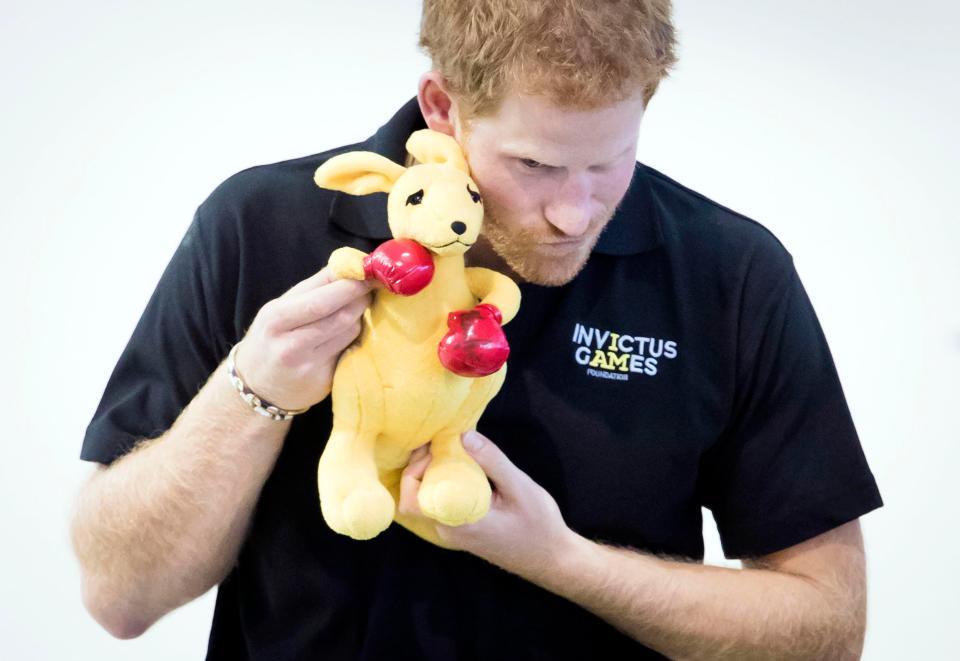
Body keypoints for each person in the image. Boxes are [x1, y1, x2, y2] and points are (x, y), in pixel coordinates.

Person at [71, 1, 883, 659]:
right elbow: (119, 595)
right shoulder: (260, 225)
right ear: (442, 107)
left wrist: (563, 562)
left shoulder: (730, 271)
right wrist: (253, 392)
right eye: (534, 165)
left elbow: (826, 627)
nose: (574, 212)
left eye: (609, 161)